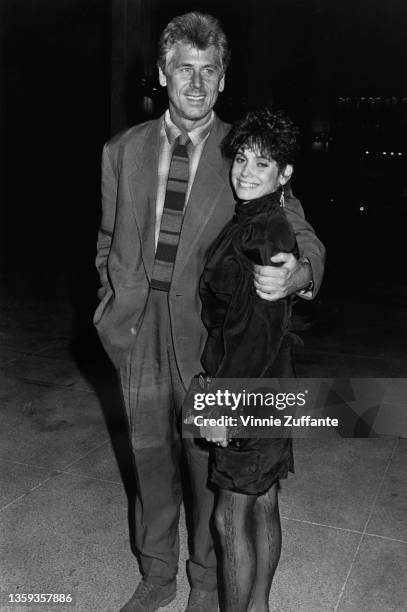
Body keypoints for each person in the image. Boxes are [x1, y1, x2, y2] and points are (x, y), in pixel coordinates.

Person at [94, 11, 325, 612]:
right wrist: (110, 307)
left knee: (207, 471)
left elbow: (298, 225)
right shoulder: (121, 151)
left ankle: (203, 581)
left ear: (223, 80)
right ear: (163, 75)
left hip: (207, 344)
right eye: (183, 70)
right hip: (137, 337)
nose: (195, 84)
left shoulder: (241, 153)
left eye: (209, 71)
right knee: (149, 462)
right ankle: (155, 575)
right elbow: (107, 239)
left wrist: (301, 273)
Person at [196, 109, 301, 612]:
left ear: (284, 176)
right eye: (241, 158)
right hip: (271, 388)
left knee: (227, 517)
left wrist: (219, 404)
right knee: (263, 500)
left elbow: (254, 335)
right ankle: (258, 605)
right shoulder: (256, 220)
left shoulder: (263, 232)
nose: (245, 171)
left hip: (249, 391)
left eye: (263, 163)